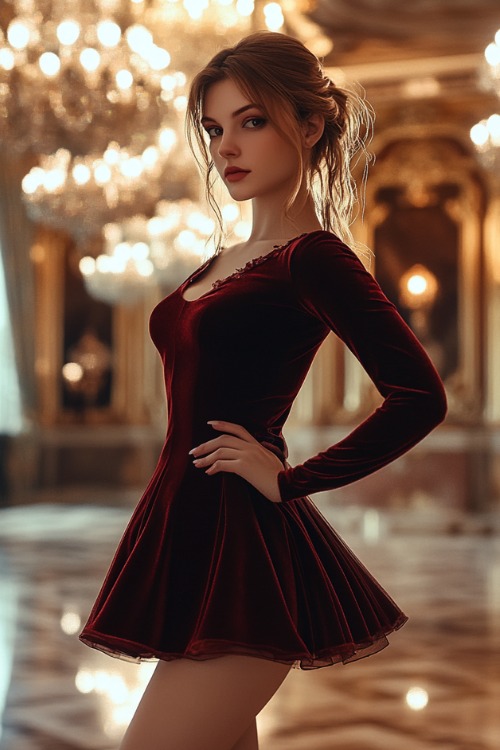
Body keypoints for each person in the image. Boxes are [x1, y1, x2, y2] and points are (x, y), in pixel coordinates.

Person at [79, 31, 447, 750]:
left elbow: (419, 395)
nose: (226, 147)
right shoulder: (222, 259)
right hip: (183, 533)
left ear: (309, 127)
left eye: (251, 121)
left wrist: (291, 480)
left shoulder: (314, 259)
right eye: (215, 129)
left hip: (246, 551)